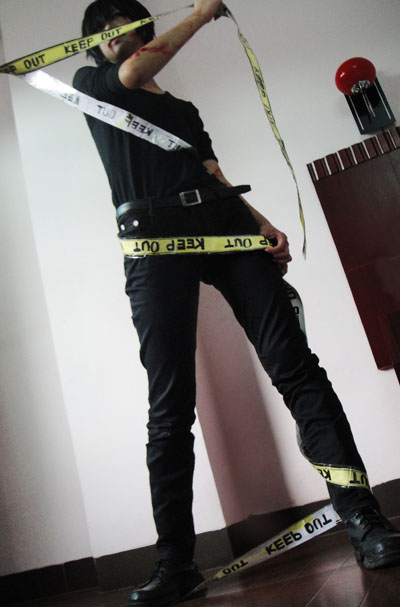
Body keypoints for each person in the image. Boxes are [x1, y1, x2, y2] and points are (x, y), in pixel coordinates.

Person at [73, 1, 400, 605]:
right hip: (151, 241)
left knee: (298, 370)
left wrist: (263, 223)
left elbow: (213, 176)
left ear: (142, 27)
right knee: (170, 405)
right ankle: (176, 564)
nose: (112, 33)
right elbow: (131, 72)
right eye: (101, 29)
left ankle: (364, 519)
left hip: (226, 227)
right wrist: (202, 13)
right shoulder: (92, 84)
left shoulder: (183, 111)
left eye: (122, 21)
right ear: (93, 46)